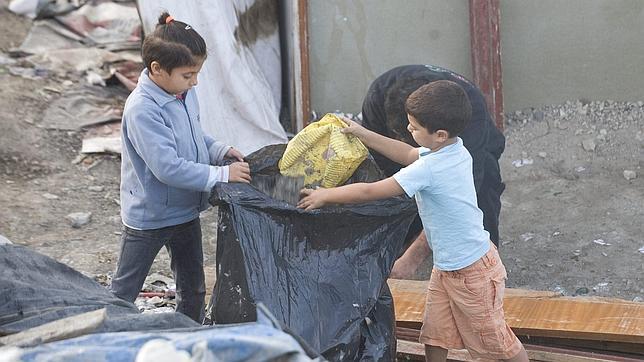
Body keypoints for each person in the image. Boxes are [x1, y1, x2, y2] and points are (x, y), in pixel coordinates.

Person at [298, 81, 528, 362]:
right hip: (447, 268)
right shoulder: (453, 149)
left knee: (496, 342)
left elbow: (373, 191)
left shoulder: (431, 168)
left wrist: (327, 196)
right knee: (435, 333)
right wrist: (362, 133)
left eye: (415, 127)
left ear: (440, 134)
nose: (409, 130)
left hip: (472, 273)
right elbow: (406, 153)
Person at [109, 12, 252, 323]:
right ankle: (103, 336)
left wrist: (218, 150)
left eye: (197, 73)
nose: (195, 81)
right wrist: (222, 174)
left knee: (193, 286)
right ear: (157, 69)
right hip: (150, 216)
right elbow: (168, 168)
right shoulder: (142, 110)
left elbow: (194, 133)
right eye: (188, 74)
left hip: (185, 209)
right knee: (124, 290)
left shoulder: (181, 92)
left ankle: (189, 335)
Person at [361, 65, 505, 278]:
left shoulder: (468, 115)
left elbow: (454, 200)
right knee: (401, 188)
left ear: (439, 134)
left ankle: (483, 268)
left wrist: (412, 260)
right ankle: (401, 244)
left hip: (476, 147)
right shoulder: (379, 95)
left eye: (413, 133)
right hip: (416, 135)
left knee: (481, 195)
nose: (407, 141)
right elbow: (381, 164)